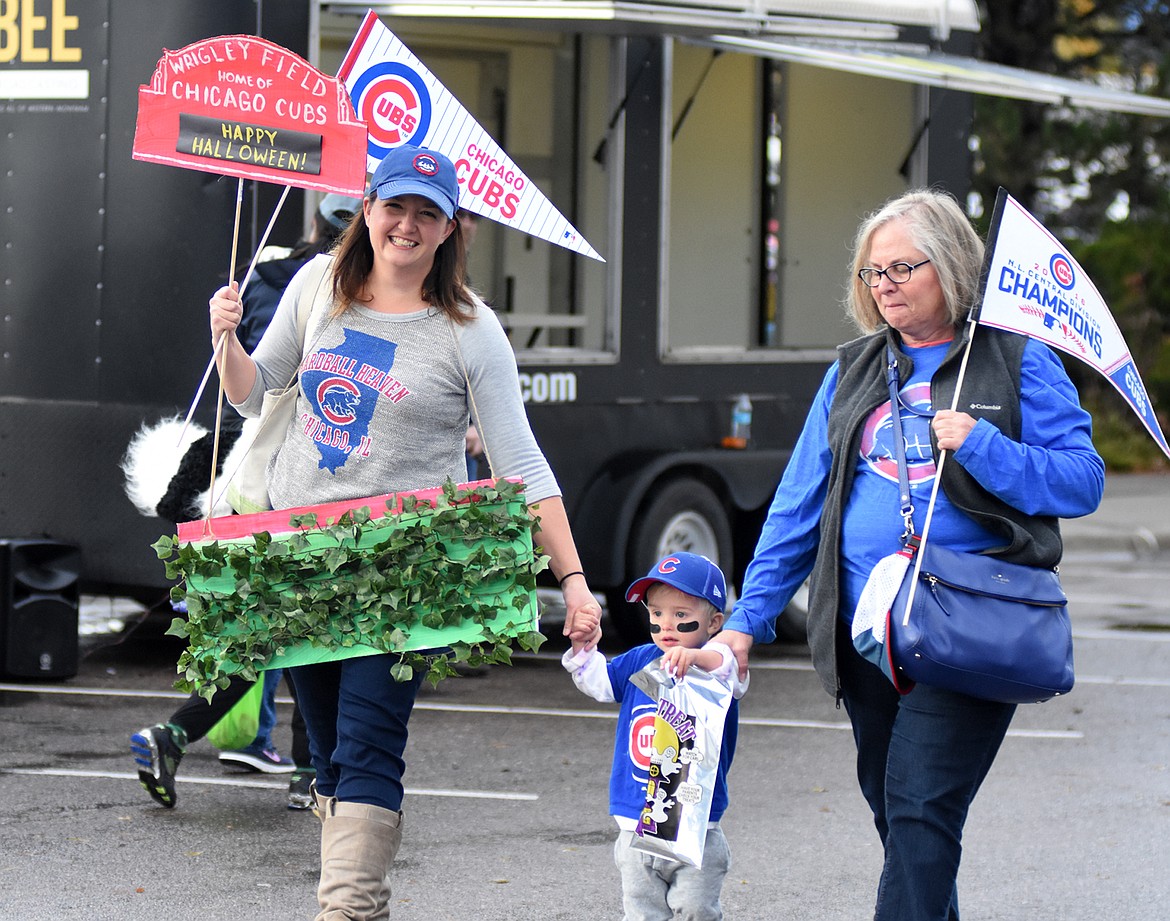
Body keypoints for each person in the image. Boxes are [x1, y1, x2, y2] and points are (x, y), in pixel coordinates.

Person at [207, 142, 603, 918]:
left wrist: (575, 581)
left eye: (429, 212)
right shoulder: (316, 285)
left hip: (409, 567)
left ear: (451, 228)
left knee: (366, 741)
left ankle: (346, 909)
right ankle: (362, 902)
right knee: (327, 752)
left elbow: (520, 462)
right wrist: (225, 339)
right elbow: (257, 396)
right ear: (368, 208)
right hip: (301, 559)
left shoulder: (469, 328)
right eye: (397, 206)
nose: (409, 225)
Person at [714, 189, 1105, 921]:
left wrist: (983, 445)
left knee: (921, 807)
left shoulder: (1019, 358)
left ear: (951, 265)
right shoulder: (853, 369)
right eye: (872, 273)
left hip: (970, 625)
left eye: (902, 267)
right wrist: (746, 621)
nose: (883, 284)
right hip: (869, 632)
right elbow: (798, 507)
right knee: (904, 823)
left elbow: (1082, 480)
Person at [129, 192, 362, 812]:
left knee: (265, 634)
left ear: (314, 220)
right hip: (299, 475)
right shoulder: (341, 287)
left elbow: (245, 385)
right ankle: (306, 773)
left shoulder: (261, 273)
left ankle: (174, 735)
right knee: (317, 626)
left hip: (234, 479)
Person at [563, 551, 747, 921]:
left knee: (697, 909)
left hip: (696, 826)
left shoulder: (717, 669)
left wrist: (695, 658)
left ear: (714, 622)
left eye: (681, 616)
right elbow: (600, 682)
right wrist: (584, 649)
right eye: (657, 613)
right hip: (634, 820)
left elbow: (729, 663)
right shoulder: (640, 659)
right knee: (642, 911)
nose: (666, 625)